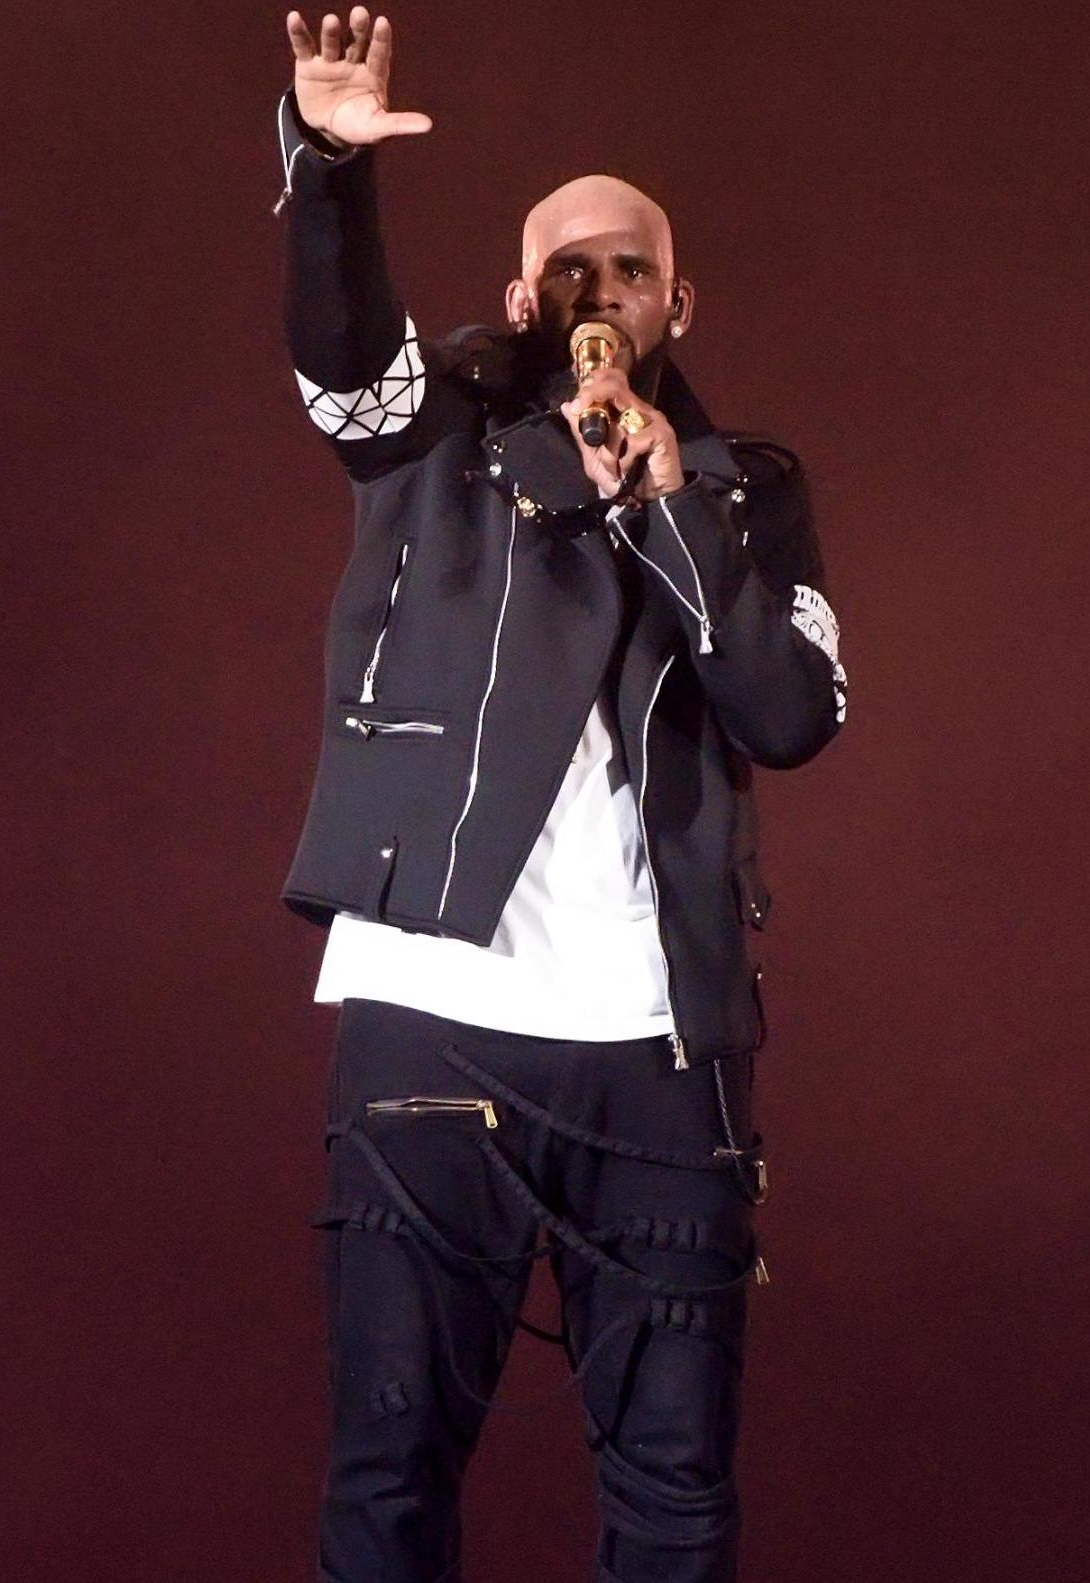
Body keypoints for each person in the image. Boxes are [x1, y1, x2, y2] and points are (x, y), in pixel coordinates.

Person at [270, 10, 847, 1580]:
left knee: (673, 1495)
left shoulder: (746, 490)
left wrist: (667, 506)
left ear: (676, 301)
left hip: (659, 1056)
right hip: (433, 1017)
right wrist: (326, 167)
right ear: (527, 296)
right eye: (570, 271)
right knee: (389, 1476)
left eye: (630, 270)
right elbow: (339, 361)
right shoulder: (437, 431)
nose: (599, 296)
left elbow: (790, 714)